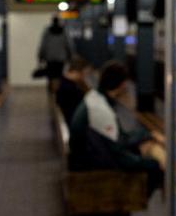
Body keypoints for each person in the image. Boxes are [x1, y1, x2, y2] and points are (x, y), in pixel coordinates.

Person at [69, 61, 165, 196]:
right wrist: (154, 163)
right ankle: (133, 198)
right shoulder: (101, 111)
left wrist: (148, 135)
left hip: (84, 155)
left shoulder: (95, 98)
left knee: (143, 149)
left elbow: (118, 138)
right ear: (122, 85)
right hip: (88, 166)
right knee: (155, 169)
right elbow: (120, 157)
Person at [37, 15, 74, 92]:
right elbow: (68, 44)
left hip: (49, 58)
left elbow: (43, 45)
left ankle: (51, 90)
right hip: (61, 58)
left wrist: (40, 56)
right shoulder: (63, 31)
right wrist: (70, 56)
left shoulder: (47, 31)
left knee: (50, 75)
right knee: (59, 74)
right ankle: (59, 90)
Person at [55, 55, 91, 125]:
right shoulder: (70, 89)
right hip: (73, 122)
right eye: (84, 74)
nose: (84, 77)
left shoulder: (65, 83)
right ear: (77, 72)